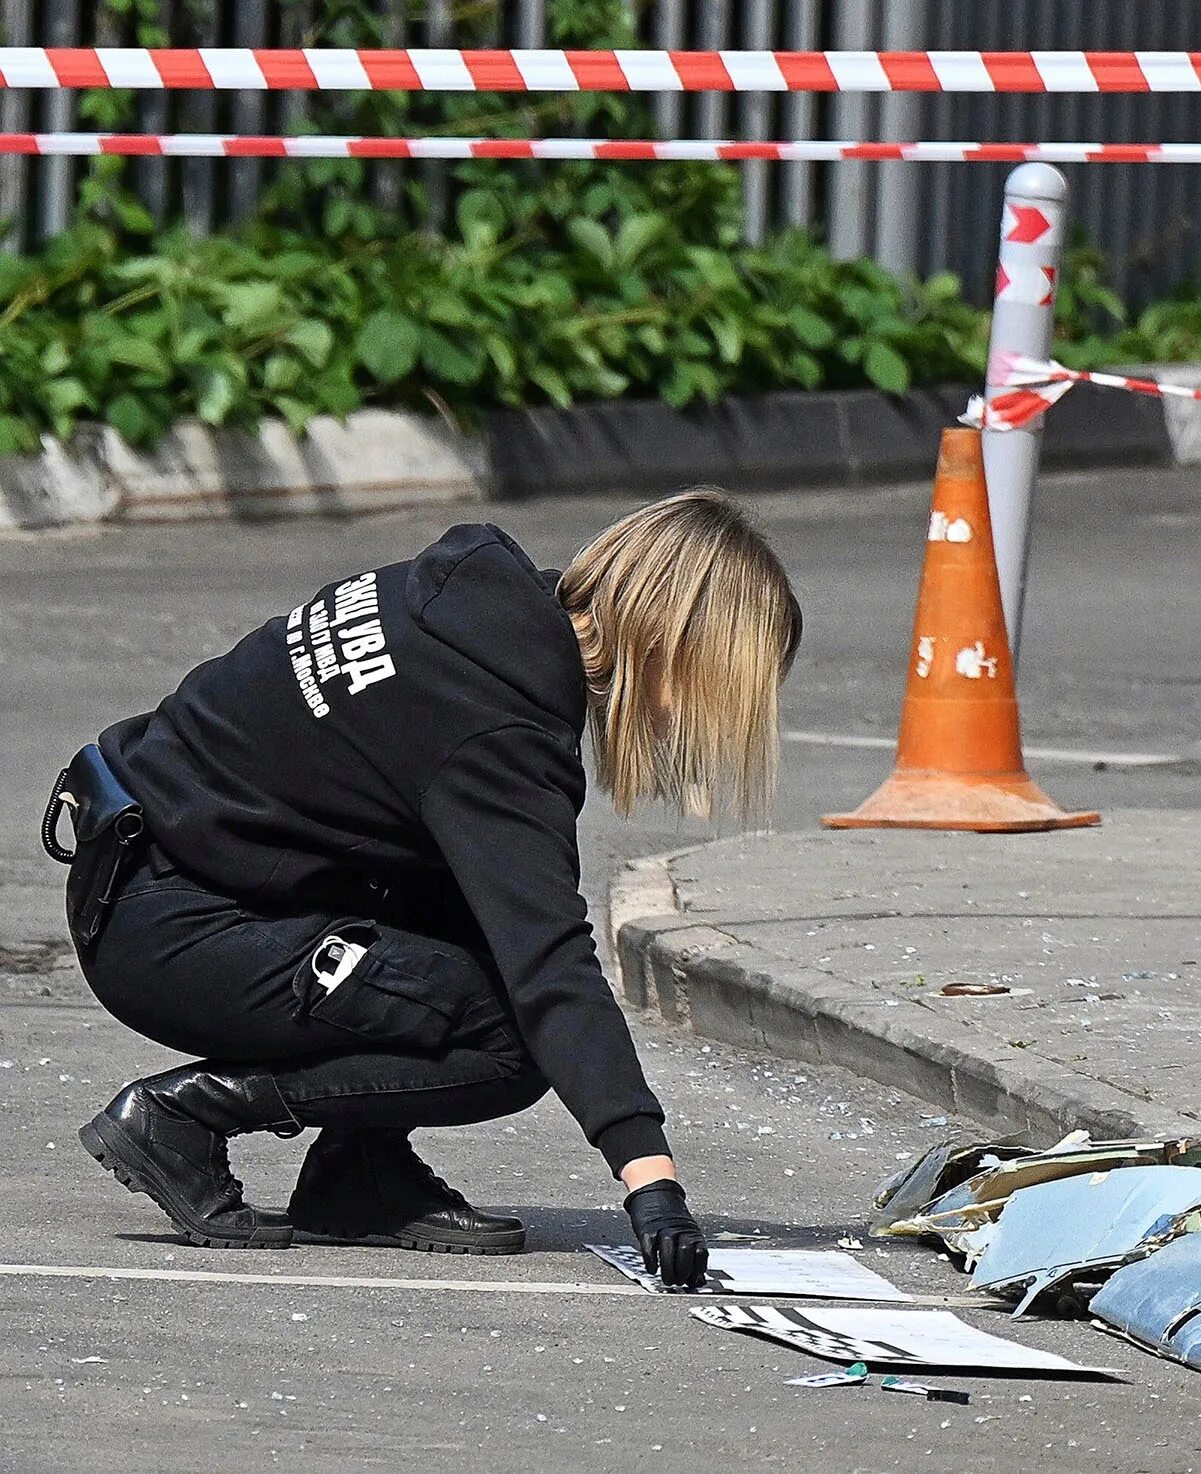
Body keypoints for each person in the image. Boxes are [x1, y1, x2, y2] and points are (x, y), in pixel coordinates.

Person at [45, 491, 801, 1287]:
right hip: (170, 928)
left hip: (146, 874)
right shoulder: (498, 723)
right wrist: (652, 1180)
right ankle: (187, 1114)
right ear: (677, 653)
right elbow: (548, 961)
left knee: (461, 903)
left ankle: (360, 1175)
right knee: (509, 1040)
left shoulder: (462, 604)